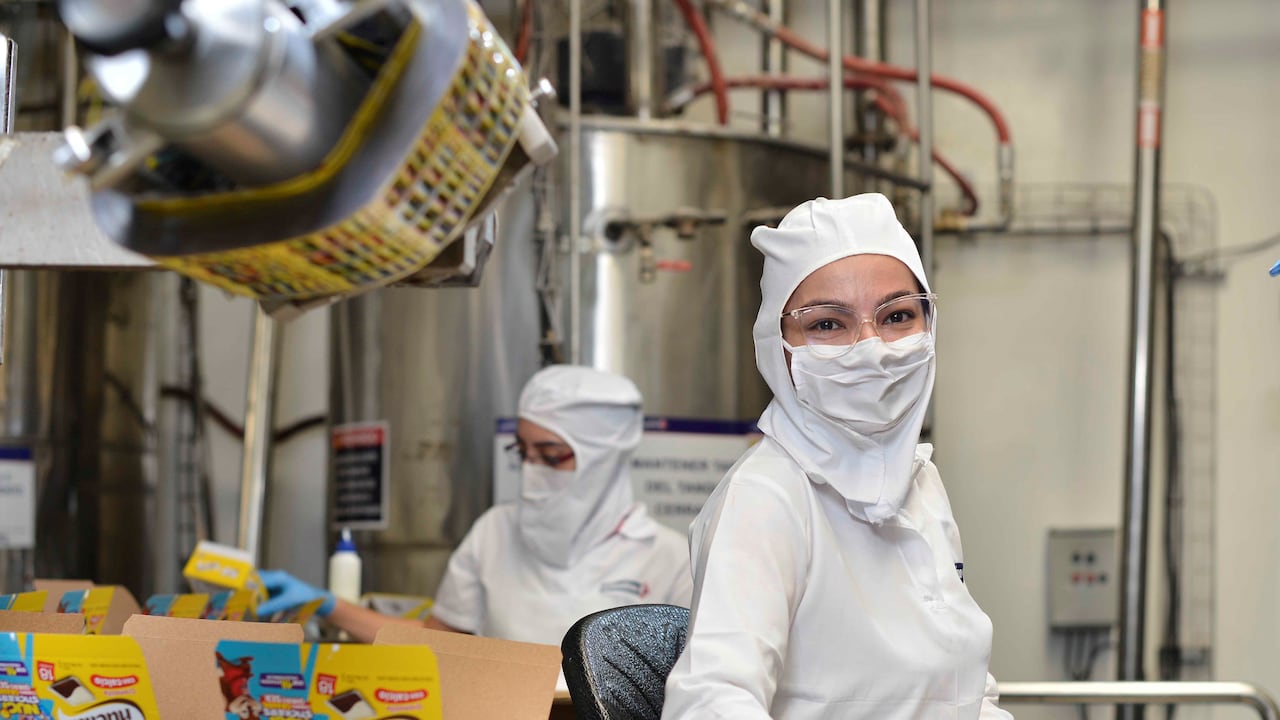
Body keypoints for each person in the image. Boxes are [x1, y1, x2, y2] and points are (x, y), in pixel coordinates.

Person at [661, 193, 1013, 719]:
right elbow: (712, 702)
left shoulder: (922, 484)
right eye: (828, 324)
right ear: (778, 347)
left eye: (896, 315)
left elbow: (963, 693)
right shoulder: (769, 497)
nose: (872, 348)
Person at [257, 365, 694, 646]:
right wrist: (327, 605)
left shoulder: (669, 558)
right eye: (523, 453)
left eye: (552, 454)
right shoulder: (495, 533)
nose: (532, 472)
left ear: (604, 458)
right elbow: (437, 641)